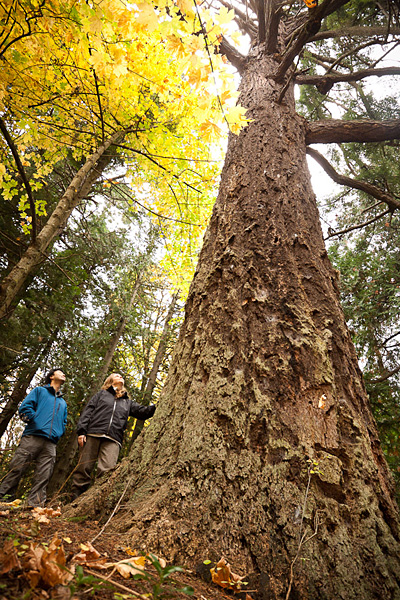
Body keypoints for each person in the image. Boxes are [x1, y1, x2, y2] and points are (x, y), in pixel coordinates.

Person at [71, 373, 156, 499]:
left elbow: (143, 412)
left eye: (122, 376)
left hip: (113, 438)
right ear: (110, 381)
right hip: (93, 433)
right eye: (117, 375)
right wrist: (82, 431)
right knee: (84, 467)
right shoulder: (101, 394)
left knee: (107, 471)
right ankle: (75, 498)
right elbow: (88, 411)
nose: (120, 376)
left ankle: (96, 500)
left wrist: (158, 405)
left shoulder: (127, 402)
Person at [0, 368, 67, 507]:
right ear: (51, 376)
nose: (64, 374)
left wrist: (59, 432)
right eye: (60, 372)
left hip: (51, 443)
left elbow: (64, 421)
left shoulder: (63, 402)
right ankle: (3, 498)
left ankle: (34, 506)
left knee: (44, 475)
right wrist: (34, 420)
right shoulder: (39, 391)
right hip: (32, 436)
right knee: (17, 467)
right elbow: (25, 407)